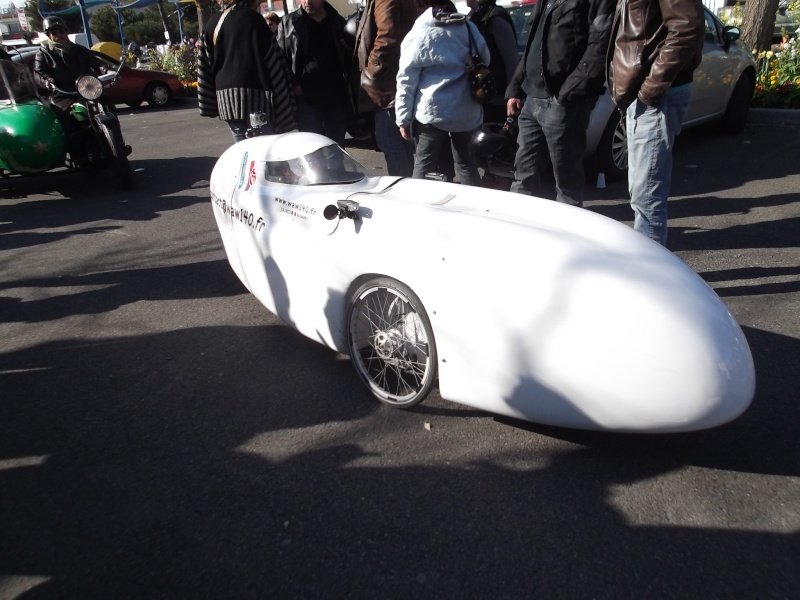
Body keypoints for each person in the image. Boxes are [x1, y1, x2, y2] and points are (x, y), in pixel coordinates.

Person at [607, 0, 704, 246]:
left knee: (647, 199)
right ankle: (646, 271)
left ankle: (648, 277)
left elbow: (687, 27)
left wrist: (650, 89)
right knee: (643, 195)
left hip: (656, 95)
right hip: (643, 92)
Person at [505, 0, 614, 207]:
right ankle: (517, 227)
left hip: (563, 102)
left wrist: (567, 93)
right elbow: (532, 46)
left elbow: (600, 47)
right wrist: (516, 88)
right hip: (532, 98)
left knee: (567, 186)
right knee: (523, 177)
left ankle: (568, 234)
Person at [395, 6, 488, 186]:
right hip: (465, 108)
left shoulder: (420, 33)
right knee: (466, 164)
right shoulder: (468, 27)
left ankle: (418, 206)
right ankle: (474, 208)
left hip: (432, 111)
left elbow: (406, 80)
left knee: (424, 164)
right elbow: (486, 58)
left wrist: (403, 119)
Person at [198, 0, 296, 143]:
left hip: (226, 100)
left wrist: (209, 102)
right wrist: (283, 97)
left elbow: (204, 65)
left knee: (242, 149)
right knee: (264, 150)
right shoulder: (254, 20)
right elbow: (272, 60)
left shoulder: (213, 23)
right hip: (256, 97)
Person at [354, 0, 417, 176]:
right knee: (399, 143)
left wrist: (370, 72)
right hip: (392, 83)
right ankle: (407, 184)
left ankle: (403, 190)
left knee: (391, 141)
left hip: (387, 86)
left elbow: (387, 37)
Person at [276, 0, 349, 146]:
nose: (307, 1)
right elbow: (281, 58)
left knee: (336, 148)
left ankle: (335, 170)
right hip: (306, 96)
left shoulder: (337, 21)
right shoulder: (289, 22)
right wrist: (294, 84)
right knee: (312, 148)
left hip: (335, 94)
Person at [34, 17, 108, 112]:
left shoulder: (80, 49)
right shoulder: (43, 53)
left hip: (87, 89)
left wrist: (106, 69)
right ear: (48, 35)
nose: (59, 35)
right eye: (54, 33)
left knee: (106, 104)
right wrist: (47, 81)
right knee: (64, 116)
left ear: (66, 32)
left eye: (61, 31)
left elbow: (96, 62)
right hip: (63, 95)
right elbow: (39, 72)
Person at [467, 0, 519, 124]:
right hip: (481, 96)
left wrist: (511, 94)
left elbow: (511, 60)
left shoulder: (495, 16)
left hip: (497, 98)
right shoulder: (474, 16)